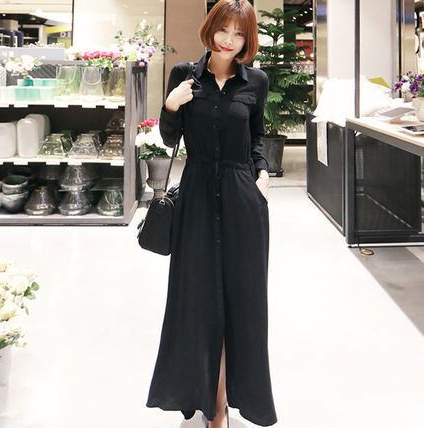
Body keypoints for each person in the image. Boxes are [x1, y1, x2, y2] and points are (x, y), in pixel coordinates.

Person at [146, 1, 277, 427]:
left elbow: (255, 137)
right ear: (210, 28)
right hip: (197, 197)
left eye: (239, 33)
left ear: (247, 39)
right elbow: (170, 139)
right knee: (197, 301)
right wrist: (171, 106)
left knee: (242, 303)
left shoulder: (256, 81)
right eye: (223, 29)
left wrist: (262, 174)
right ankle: (207, 399)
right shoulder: (185, 75)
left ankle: (222, 404)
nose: (229, 40)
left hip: (243, 200)